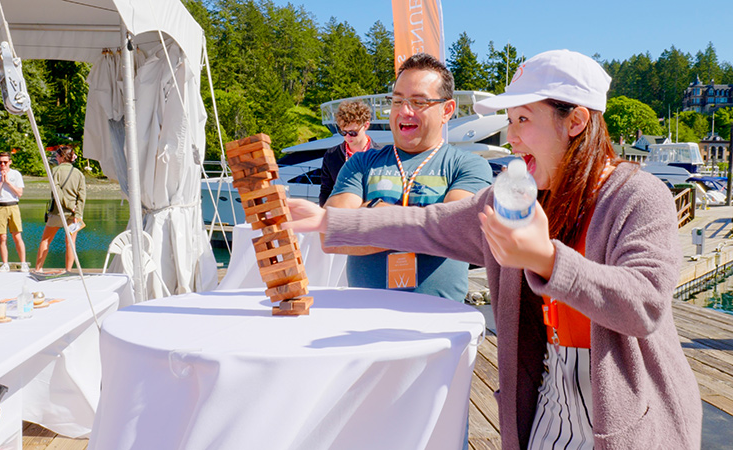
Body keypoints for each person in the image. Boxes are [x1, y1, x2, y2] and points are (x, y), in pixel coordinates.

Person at [285, 49, 702, 449]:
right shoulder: (515, 196)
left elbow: (646, 304)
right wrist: (330, 221)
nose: (513, 137)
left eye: (523, 119)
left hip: (631, 410)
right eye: (509, 120)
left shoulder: (638, 195)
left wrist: (547, 259)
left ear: (575, 121)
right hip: (550, 395)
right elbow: (431, 224)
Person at [324, 52, 492, 302]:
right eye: (397, 101)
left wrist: (371, 214)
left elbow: (453, 230)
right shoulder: (361, 163)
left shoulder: (468, 165)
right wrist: (428, 223)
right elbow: (330, 234)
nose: (405, 111)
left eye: (419, 102)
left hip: (438, 324)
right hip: (364, 318)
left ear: (447, 110)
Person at [35, 145, 86, 272]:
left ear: (62, 157)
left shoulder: (55, 171)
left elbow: (57, 192)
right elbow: (82, 196)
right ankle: (68, 270)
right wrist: (77, 213)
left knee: (46, 240)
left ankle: (38, 268)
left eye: (57, 156)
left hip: (58, 212)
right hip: (74, 215)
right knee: (70, 243)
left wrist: (69, 206)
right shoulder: (79, 174)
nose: (56, 158)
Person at [319, 100, 380, 206]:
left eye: (353, 133)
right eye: (343, 132)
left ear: (366, 125)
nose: (348, 137)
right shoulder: (331, 156)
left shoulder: (380, 155)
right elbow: (326, 191)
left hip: (370, 215)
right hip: (342, 215)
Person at [0, 151, 27, 272]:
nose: (2, 165)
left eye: (5, 162)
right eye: (0, 162)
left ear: (10, 162)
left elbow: (19, 193)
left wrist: (8, 182)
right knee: (2, 237)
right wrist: (1, 182)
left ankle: (23, 263)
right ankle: (5, 263)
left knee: (17, 235)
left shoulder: (16, 174)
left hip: (13, 205)